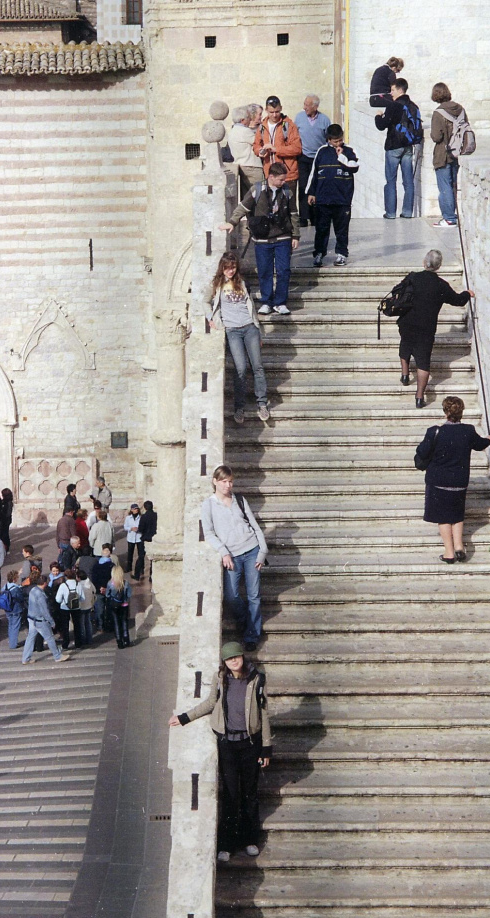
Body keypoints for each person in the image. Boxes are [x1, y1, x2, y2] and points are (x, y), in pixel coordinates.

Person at [169, 641, 271, 861]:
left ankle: (250, 840)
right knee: (231, 794)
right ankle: (226, 844)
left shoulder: (256, 678)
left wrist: (266, 749)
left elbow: (263, 713)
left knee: (250, 794)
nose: (234, 661)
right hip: (228, 744)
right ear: (224, 662)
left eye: (237, 657)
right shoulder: (220, 679)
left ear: (242, 657)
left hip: (250, 744)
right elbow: (209, 703)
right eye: (229, 659)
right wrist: (185, 717)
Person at [416, 396, 490, 563]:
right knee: (456, 514)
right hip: (459, 482)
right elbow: (480, 444)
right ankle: (459, 547)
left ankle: (449, 553)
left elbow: (422, 453)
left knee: (443, 517)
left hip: (438, 481)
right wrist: (489, 439)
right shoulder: (468, 431)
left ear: (445, 412)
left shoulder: (434, 431)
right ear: (462, 412)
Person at [201, 465, 268, 651]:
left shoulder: (239, 499)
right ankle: (246, 620)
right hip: (232, 555)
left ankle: (252, 636)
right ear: (215, 481)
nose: (227, 485)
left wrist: (263, 551)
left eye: (230, 481)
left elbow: (254, 526)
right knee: (231, 596)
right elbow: (209, 533)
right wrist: (223, 551)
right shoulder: (208, 504)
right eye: (223, 481)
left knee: (254, 595)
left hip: (252, 550)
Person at [395, 249, 474, 407]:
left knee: (405, 345)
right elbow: (457, 301)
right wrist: (466, 294)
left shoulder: (412, 277)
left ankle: (404, 376)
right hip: (426, 328)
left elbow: (398, 289)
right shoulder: (441, 285)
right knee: (423, 361)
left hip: (407, 322)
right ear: (439, 266)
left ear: (424, 262)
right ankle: (419, 397)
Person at [220, 162, 299, 316]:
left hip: (283, 236)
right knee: (264, 271)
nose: (284, 182)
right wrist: (232, 222)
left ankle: (280, 302)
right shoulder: (257, 190)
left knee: (284, 270)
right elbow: (243, 207)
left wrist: (295, 235)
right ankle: (267, 301)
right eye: (281, 180)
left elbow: (294, 214)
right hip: (262, 239)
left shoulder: (287, 191)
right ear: (271, 177)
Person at [208, 251, 270, 424]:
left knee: (257, 366)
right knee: (241, 368)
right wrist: (210, 318)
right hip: (232, 330)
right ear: (222, 267)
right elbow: (205, 301)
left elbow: (250, 306)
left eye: (233, 267)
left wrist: (258, 330)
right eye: (227, 268)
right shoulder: (216, 284)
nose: (230, 271)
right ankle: (239, 407)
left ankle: (262, 404)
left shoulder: (242, 282)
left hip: (249, 328)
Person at [306, 124, 359, 268]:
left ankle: (341, 254)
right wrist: (311, 192)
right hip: (323, 199)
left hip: (342, 199)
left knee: (341, 229)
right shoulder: (321, 152)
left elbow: (354, 167)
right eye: (335, 141)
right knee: (321, 229)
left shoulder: (348, 151)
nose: (338, 143)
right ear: (329, 140)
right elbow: (314, 173)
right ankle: (319, 254)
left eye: (340, 140)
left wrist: (341, 155)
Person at [374, 78, 422, 220]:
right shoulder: (414, 106)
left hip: (394, 147)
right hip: (408, 146)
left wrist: (378, 116)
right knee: (408, 181)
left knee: (391, 180)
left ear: (400, 90)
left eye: (393, 90)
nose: (391, 93)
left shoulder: (393, 106)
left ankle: (390, 213)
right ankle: (407, 212)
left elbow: (381, 125)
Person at [430, 82, 468, 227]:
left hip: (443, 154)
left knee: (444, 186)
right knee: (452, 184)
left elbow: (436, 137)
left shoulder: (438, 113)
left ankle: (449, 218)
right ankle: (452, 215)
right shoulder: (460, 109)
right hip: (457, 153)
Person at [294, 94, 331, 227]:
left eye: (307, 105)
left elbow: (329, 139)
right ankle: (303, 217)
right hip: (303, 157)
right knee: (303, 186)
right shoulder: (299, 118)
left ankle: (316, 217)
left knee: (317, 187)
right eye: (304, 104)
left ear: (315, 107)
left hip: (318, 159)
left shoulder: (324, 120)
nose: (304, 107)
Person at [22, 575, 71, 665]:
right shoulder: (41, 595)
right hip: (40, 620)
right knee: (50, 638)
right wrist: (52, 622)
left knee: (30, 638)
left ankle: (26, 658)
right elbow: (45, 611)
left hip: (31, 618)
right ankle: (57, 656)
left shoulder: (33, 590)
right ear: (44, 584)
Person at [228, 105, 264, 197]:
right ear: (242, 120)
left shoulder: (232, 131)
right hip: (252, 167)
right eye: (248, 118)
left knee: (247, 198)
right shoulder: (245, 131)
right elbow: (259, 143)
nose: (249, 120)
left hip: (241, 166)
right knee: (259, 196)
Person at [56, 568, 83, 649]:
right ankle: (78, 643)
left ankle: (65, 643)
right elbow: (83, 598)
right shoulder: (78, 584)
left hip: (65, 607)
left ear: (66, 576)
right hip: (76, 607)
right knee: (77, 625)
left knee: (65, 626)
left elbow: (58, 599)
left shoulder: (63, 585)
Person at [105, 565, 131, 648]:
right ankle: (126, 639)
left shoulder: (110, 583)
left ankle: (119, 641)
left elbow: (107, 595)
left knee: (116, 623)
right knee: (124, 622)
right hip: (124, 605)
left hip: (114, 605)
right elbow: (129, 594)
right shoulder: (126, 583)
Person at [91, 547, 115, 633]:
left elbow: (94, 579)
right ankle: (109, 625)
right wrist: (106, 588)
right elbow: (113, 579)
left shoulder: (95, 566)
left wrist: (100, 588)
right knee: (109, 608)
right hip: (109, 590)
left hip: (98, 590)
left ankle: (100, 626)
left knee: (99, 609)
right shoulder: (111, 566)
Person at [0, 569, 24, 649]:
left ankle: (11, 641)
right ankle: (13, 644)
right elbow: (21, 598)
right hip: (16, 609)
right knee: (15, 626)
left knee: (10, 625)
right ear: (14, 579)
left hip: (7, 609)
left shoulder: (5, 587)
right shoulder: (16, 588)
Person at [76, 569, 95, 646]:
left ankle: (83, 640)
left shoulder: (79, 585)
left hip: (81, 607)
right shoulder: (89, 583)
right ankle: (90, 639)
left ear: (79, 577)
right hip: (89, 606)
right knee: (88, 623)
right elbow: (94, 590)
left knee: (82, 624)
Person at [124, 504, 144, 579]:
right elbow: (125, 527)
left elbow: (142, 526)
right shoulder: (128, 518)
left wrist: (138, 529)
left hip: (139, 537)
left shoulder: (141, 517)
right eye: (134, 509)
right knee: (130, 553)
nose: (136, 510)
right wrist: (131, 528)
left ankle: (141, 568)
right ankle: (129, 567)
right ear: (131, 510)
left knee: (140, 554)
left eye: (137, 509)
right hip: (131, 537)